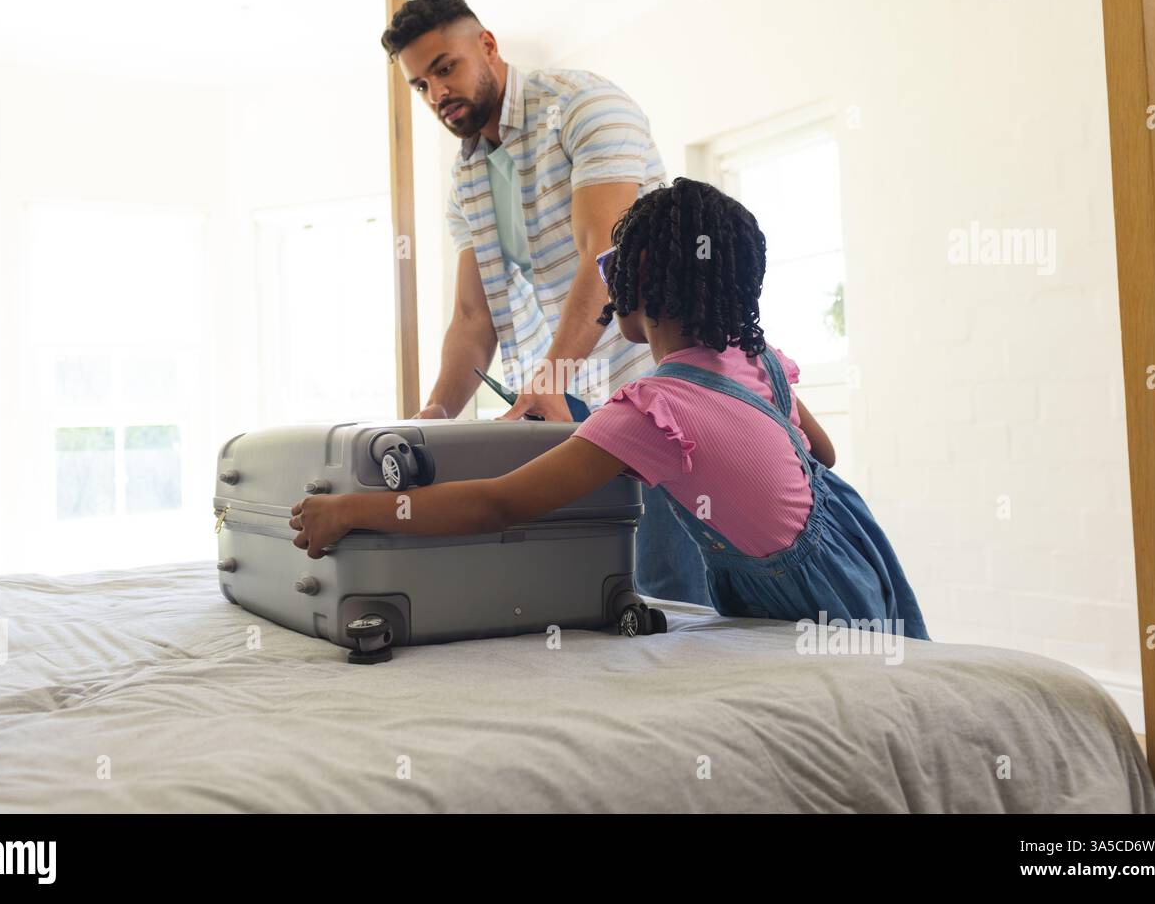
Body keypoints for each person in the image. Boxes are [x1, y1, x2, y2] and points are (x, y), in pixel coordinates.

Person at [292, 179, 931, 640]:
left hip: (807, 606)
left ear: (638, 276)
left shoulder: (653, 412)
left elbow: (500, 504)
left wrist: (351, 508)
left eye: (610, 264)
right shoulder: (757, 356)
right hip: (856, 560)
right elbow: (823, 455)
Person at [379, 0, 706, 603]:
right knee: (602, 590)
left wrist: (550, 375)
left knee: (675, 592)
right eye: (420, 85)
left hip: (661, 387)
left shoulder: (585, 106)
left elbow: (603, 255)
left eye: (444, 68)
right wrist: (435, 418)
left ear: (487, 45)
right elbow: (474, 318)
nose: (437, 93)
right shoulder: (468, 176)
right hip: (574, 407)